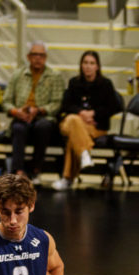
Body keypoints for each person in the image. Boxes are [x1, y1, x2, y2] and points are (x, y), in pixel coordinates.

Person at [52, 50, 121, 192]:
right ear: (81, 65)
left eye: (92, 63)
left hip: (95, 126)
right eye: (85, 63)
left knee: (74, 137)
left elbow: (114, 107)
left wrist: (94, 114)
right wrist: (81, 113)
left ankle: (67, 179)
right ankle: (84, 152)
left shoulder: (106, 84)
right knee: (73, 120)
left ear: (97, 66)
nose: (88, 66)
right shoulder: (73, 82)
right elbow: (65, 105)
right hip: (71, 123)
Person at [2, 41, 66, 183]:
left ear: (46, 57)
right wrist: (16, 111)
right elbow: (6, 101)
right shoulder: (18, 75)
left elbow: (58, 103)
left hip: (44, 117)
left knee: (42, 127)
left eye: (41, 55)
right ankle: (18, 172)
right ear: (28, 57)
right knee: (18, 128)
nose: (38, 58)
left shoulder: (55, 76)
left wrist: (39, 110)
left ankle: (36, 169)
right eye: (34, 54)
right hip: (22, 116)